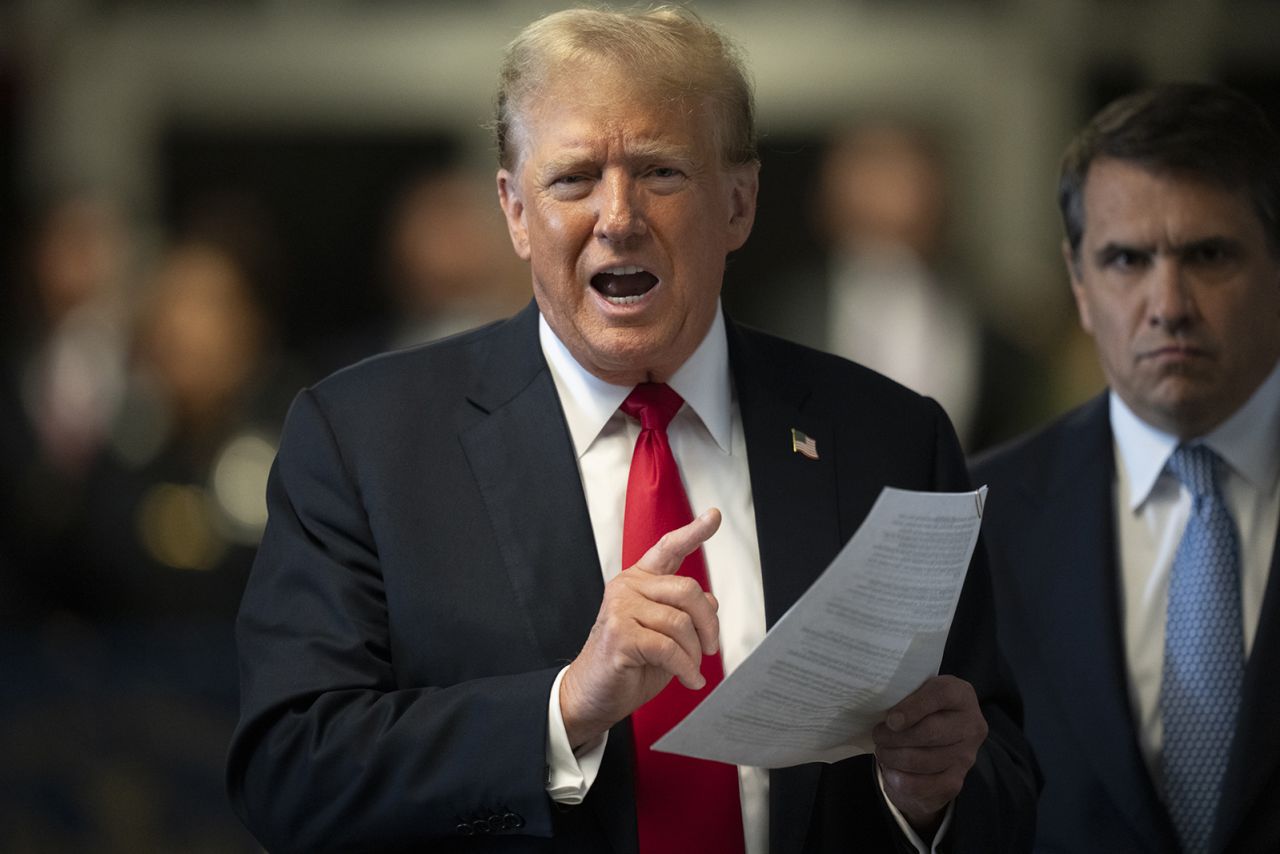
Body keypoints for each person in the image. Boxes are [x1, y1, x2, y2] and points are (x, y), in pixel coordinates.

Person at [227, 7, 1036, 853]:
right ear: (513, 209)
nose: (618, 216)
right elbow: (290, 774)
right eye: (573, 178)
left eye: (660, 172)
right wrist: (566, 708)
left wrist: (932, 800)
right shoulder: (364, 443)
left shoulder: (892, 442)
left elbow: (1006, 778)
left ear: (739, 201)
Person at [971, 82, 1280, 854]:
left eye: (1208, 255)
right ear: (1078, 285)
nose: (1167, 302)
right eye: (1126, 260)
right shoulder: (979, 517)